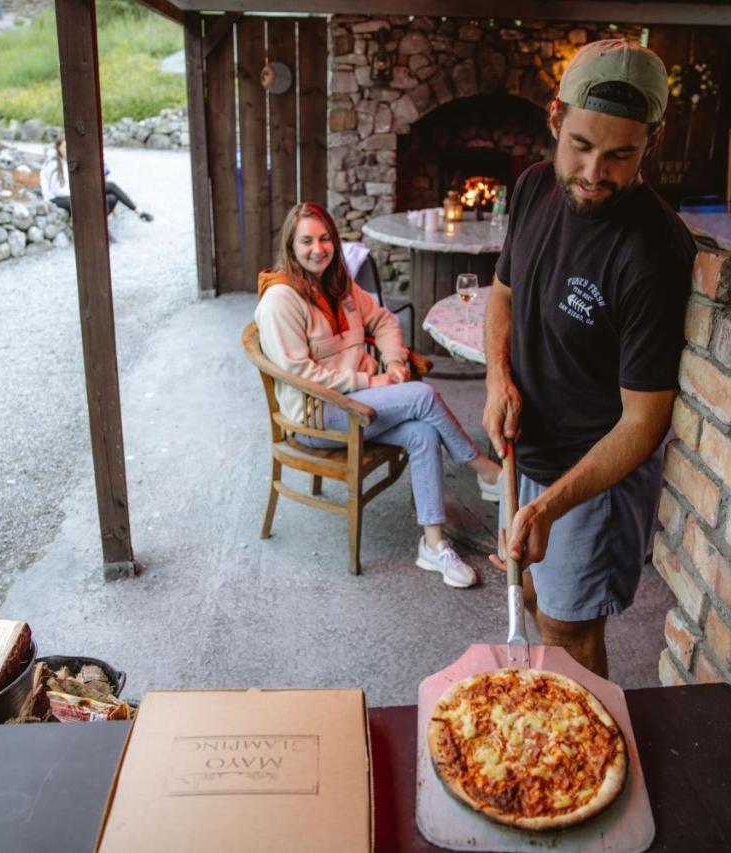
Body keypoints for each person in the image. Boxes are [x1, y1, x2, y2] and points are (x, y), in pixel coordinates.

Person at [482, 39, 697, 676]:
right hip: (524, 451)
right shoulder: (531, 187)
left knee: (567, 633)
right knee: (523, 593)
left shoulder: (655, 253)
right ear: (555, 118)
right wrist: (497, 380)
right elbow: (502, 295)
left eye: (620, 155)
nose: (595, 173)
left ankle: (579, 768)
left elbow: (645, 421)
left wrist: (550, 506)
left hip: (591, 479)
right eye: (581, 145)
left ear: (649, 144)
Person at [255, 202, 501, 588]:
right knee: (421, 397)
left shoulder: (339, 284)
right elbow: (300, 373)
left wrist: (394, 361)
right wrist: (371, 382)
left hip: (362, 406)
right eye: (306, 241)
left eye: (324, 239)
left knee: (423, 433)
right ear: (291, 245)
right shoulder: (280, 300)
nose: (317, 249)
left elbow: (383, 319)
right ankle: (485, 470)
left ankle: (433, 545)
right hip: (316, 416)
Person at [39, 135, 154, 227]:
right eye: (65, 146)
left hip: (71, 194)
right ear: (58, 148)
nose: (68, 149)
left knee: (111, 191)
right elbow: (57, 191)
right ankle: (103, 232)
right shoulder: (52, 164)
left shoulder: (69, 161)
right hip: (56, 199)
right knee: (94, 199)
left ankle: (139, 212)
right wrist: (83, 193)